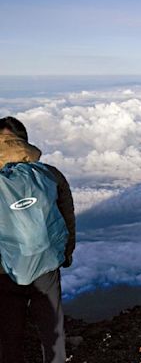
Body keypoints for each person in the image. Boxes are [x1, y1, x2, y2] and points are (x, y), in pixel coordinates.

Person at [0, 116, 76, 363]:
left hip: (4, 270)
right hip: (47, 264)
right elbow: (66, 217)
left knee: (9, 335)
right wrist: (66, 254)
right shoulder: (49, 174)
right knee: (52, 331)